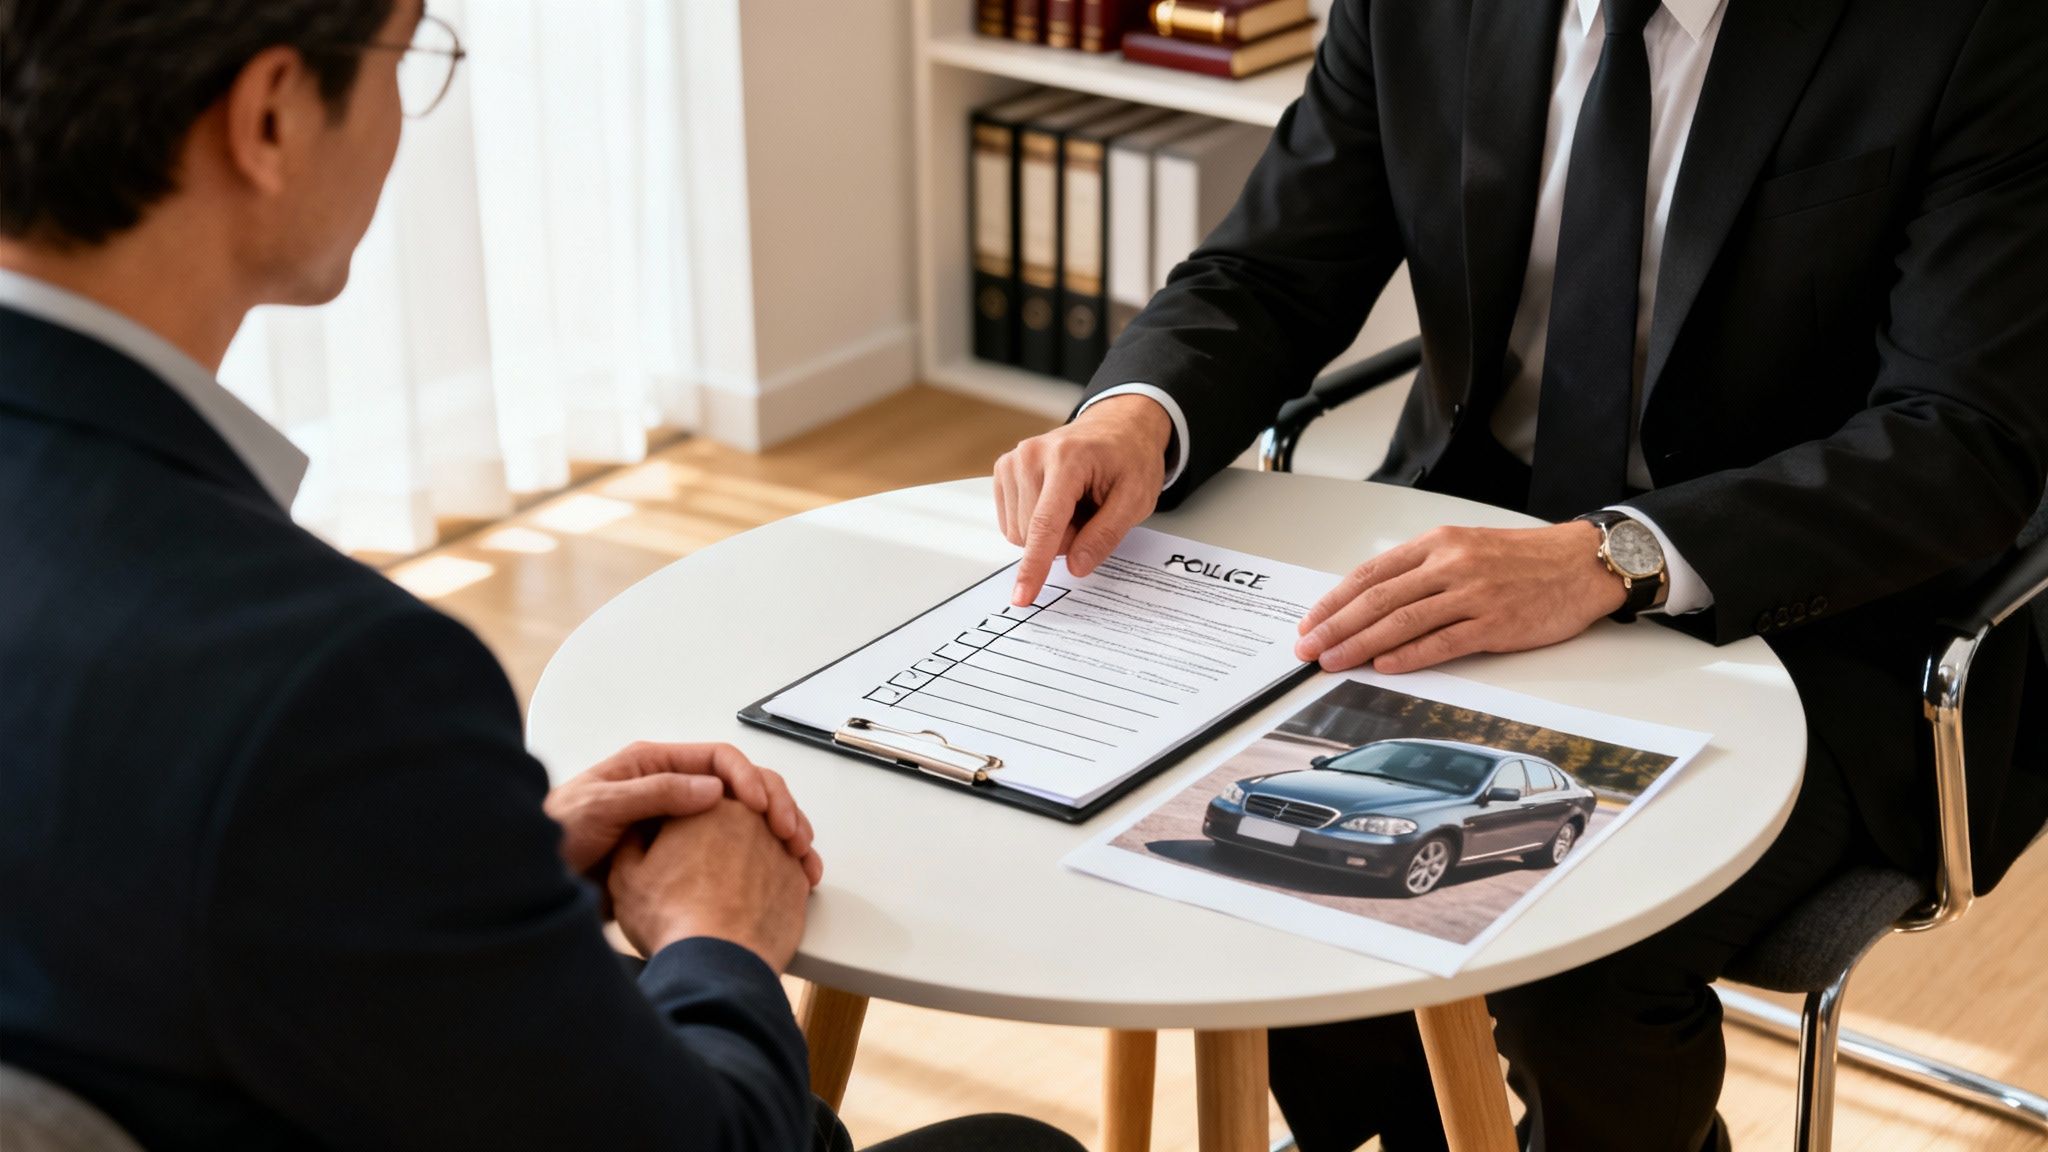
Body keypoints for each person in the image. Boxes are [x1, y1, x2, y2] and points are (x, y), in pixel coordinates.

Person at [0, 3, 1084, 1150]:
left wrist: (461, 870)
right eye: (402, 55)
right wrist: (718, 936)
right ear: (270, 116)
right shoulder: (323, 684)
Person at [993, 0, 2048, 1148]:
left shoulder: (1968, 29)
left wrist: (1609, 556)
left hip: (1814, 621)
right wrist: (1136, 416)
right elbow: (1269, 268)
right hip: (1454, 550)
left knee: (1579, 968)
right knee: (1236, 851)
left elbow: (1958, 441)